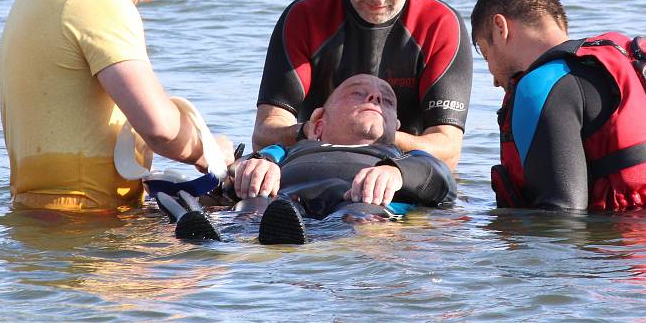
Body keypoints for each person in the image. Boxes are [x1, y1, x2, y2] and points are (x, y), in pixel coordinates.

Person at [0, 0, 234, 212]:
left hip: (33, 211)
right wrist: (208, 150)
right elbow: (160, 127)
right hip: (88, 222)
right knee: (222, 260)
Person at [470, 0, 646, 212]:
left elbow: (560, 219)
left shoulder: (540, 85)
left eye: (485, 53)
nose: (493, 78)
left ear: (500, 27)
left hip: (625, 248)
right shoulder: (628, 64)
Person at [253, 0, 472, 170]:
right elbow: (264, 133)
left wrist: (378, 137)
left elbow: (448, 151)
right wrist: (310, 131)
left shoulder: (439, 24)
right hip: (316, 166)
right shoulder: (305, 18)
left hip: (403, 175)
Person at [160, 74, 456, 244]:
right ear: (318, 123)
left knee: (361, 215)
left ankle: (320, 238)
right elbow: (239, 168)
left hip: (354, 211)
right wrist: (255, 166)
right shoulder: (286, 152)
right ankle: (224, 236)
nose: (375, 99)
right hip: (282, 206)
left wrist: (397, 174)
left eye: (387, 100)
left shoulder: (404, 159)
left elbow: (440, 178)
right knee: (258, 199)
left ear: (395, 127)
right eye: (358, 94)